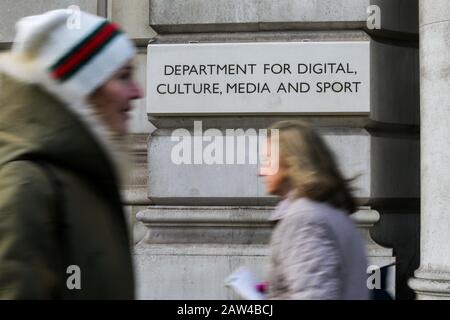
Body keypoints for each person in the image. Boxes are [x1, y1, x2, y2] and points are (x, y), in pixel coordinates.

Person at [0, 9, 143, 299]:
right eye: (124, 76)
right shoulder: (26, 182)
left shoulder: (82, 175)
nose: (137, 92)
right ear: (84, 87)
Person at [259, 120, 369, 300]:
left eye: (267, 160)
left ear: (291, 162)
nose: (261, 171)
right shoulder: (330, 212)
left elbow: (314, 295)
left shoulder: (304, 220)